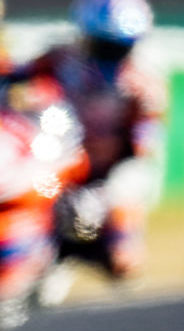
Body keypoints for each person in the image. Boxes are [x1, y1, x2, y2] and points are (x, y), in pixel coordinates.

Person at [19, 0, 165, 281]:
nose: (111, 55)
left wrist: (102, 191)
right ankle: (37, 250)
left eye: (120, 46)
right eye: (104, 45)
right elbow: (14, 86)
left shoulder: (145, 85)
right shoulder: (57, 61)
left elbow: (142, 151)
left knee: (124, 262)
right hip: (55, 166)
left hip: (108, 176)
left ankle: (95, 249)